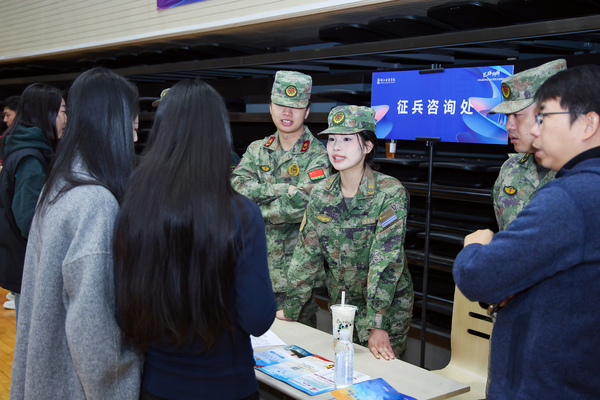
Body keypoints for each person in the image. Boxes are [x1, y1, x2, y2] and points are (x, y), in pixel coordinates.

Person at [115, 79, 276, 400]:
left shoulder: (134, 206)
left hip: (158, 384)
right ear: (219, 134)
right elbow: (257, 318)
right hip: (229, 386)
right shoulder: (243, 213)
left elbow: (123, 312)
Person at [454, 65, 600, 399]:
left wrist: (475, 247)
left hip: (546, 378)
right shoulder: (519, 173)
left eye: (543, 117)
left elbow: (479, 276)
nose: (535, 130)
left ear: (588, 123)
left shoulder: (570, 196)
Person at [10, 68, 141, 399]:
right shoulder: (95, 203)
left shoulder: (59, 184)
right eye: (132, 127)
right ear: (111, 125)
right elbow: (94, 337)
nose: (134, 139)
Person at [278, 106, 413, 360]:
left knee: (381, 378)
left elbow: (386, 261)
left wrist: (378, 323)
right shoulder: (321, 193)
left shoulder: (389, 192)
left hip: (387, 311)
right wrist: (292, 307)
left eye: (347, 139)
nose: (336, 148)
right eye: (332, 139)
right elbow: (306, 255)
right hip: (342, 309)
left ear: (368, 146)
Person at [231, 70, 330, 327]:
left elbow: (305, 204)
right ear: (270, 107)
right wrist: (284, 190)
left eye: (295, 107)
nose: (287, 113)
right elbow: (236, 189)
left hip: (295, 281)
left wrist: (255, 207)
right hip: (251, 269)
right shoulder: (257, 149)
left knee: (296, 348)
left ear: (307, 111)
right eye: (281, 105)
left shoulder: (319, 155)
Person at [0, 85, 66, 315]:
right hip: (29, 265)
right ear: (45, 113)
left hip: (24, 262)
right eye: (62, 111)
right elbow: (29, 220)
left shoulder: (27, 149)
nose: (66, 119)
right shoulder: (31, 159)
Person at [489, 59, 566, 231]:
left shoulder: (582, 173)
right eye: (507, 116)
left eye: (517, 115)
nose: (508, 126)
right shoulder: (510, 169)